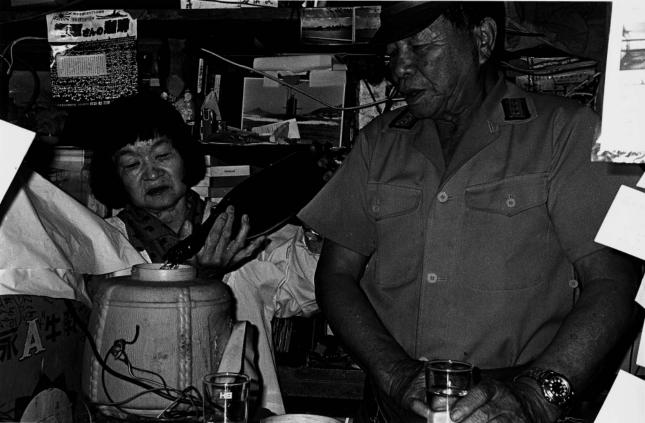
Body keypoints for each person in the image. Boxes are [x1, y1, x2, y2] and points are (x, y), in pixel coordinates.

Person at [297, 2, 642, 423]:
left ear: (482, 40)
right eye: (393, 53)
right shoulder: (379, 142)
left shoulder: (563, 132)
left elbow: (613, 283)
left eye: (420, 47)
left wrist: (535, 399)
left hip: (513, 403)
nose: (400, 68)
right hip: (396, 400)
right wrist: (396, 375)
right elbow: (335, 275)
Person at [89, 92, 319, 416]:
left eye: (162, 155)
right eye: (132, 164)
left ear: (184, 156)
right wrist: (197, 277)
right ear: (115, 176)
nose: (151, 173)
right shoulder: (103, 244)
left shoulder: (234, 227)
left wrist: (319, 222)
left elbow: (314, 281)